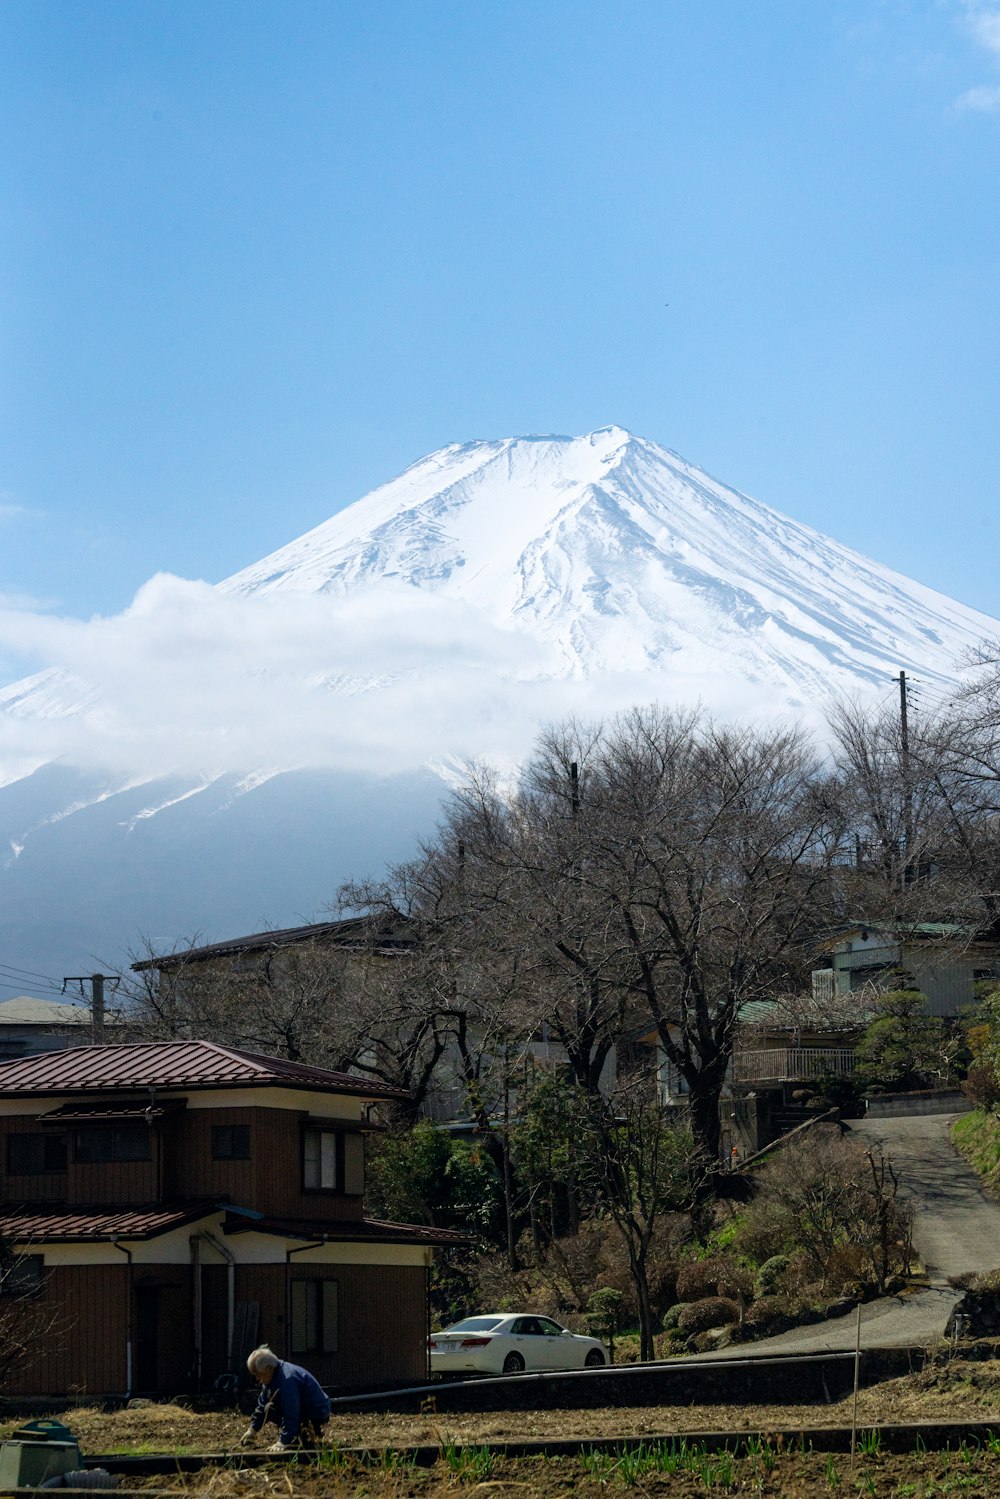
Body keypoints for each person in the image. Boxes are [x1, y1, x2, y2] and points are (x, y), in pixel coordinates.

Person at [239, 1345, 331, 1452]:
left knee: (275, 1409)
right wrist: (252, 1430)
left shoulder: (287, 1380)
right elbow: (262, 1405)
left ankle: (302, 1434)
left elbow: (291, 1411)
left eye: (258, 1375)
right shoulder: (271, 1377)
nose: (257, 1379)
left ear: (269, 1369)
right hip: (302, 1408)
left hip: (316, 1413)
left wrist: (283, 1441)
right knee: (269, 1407)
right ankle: (296, 1434)